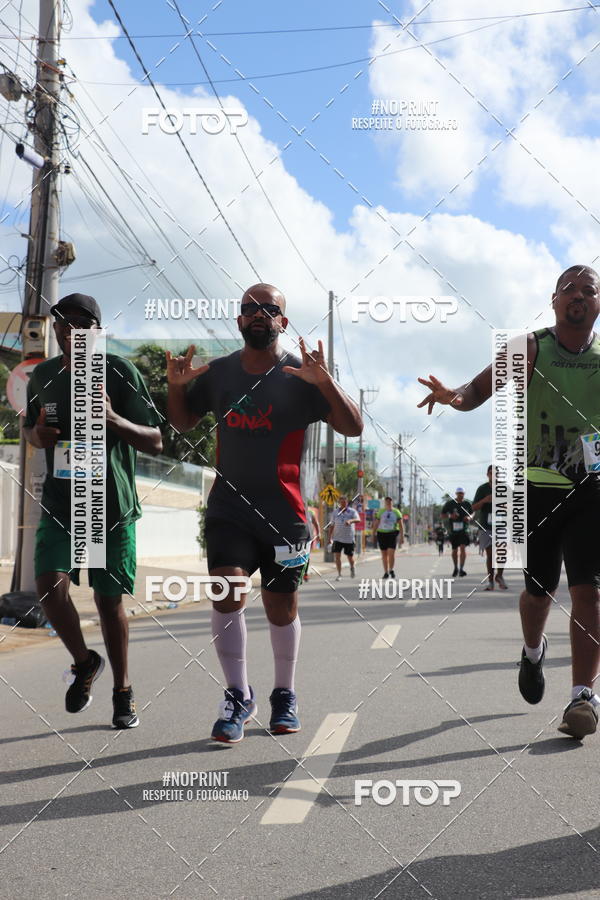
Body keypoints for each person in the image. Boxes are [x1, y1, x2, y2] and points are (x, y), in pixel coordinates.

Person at [166, 283, 362, 743]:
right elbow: (183, 422)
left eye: (269, 309)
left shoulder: (301, 376)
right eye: (250, 308)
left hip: (284, 514)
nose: (259, 314)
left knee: (280, 606)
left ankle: (284, 694)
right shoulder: (218, 373)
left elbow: (353, 427)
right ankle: (237, 695)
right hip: (229, 509)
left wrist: (325, 381)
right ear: (239, 320)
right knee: (227, 591)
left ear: (283, 322)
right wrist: (176, 387)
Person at [418, 265, 600, 740]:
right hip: (537, 489)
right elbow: (477, 390)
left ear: (599, 303)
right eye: (569, 289)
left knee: (590, 590)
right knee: (540, 591)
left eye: (589, 290)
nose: (579, 295)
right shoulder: (530, 347)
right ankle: (533, 651)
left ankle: (583, 696)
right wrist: (452, 396)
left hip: (592, 490)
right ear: (554, 300)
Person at [23, 293, 162, 728]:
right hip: (61, 505)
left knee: (108, 601)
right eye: (63, 322)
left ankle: (123, 690)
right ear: (55, 329)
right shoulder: (42, 375)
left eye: (82, 324)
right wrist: (37, 436)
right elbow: (29, 429)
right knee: (49, 587)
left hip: (109, 508)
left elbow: (156, 440)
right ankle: (85, 663)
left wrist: (113, 418)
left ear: (97, 332)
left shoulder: (120, 372)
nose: (72, 330)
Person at [472, 465, 507, 591]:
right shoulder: (482, 489)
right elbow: (473, 507)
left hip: (501, 525)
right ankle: (491, 581)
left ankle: (500, 576)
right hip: (486, 526)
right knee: (491, 554)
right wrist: (484, 500)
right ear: (487, 474)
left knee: (502, 552)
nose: (494, 475)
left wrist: (504, 505)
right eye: (491, 473)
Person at [327, 496, 361, 581]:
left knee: (350, 557)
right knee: (337, 557)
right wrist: (329, 538)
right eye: (341, 502)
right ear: (339, 503)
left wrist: (351, 521)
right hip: (337, 538)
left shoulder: (352, 511)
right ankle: (339, 574)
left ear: (347, 503)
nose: (343, 504)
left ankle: (352, 567)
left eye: (344, 502)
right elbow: (332, 525)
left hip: (349, 538)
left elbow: (358, 519)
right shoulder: (335, 512)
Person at [441, 488, 472, 577]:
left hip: (464, 529)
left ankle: (461, 568)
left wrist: (469, 517)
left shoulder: (467, 503)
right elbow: (442, 515)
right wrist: (450, 516)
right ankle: (455, 567)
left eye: (462, 493)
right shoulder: (450, 504)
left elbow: (472, 512)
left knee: (463, 547)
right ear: (456, 494)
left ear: (464, 494)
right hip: (453, 530)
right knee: (454, 550)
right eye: (459, 493)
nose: (460, 495)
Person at [374, 497, 403, 578]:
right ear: (385, 503)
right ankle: (386, 572)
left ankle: (391, 569)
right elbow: (376, 523)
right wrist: (373, 534)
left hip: (392, 533)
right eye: (387, 502)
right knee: (384, 554)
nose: (388, 503)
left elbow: (401, 525)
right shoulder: (381, 512)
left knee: (391, 553)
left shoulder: (396, 512)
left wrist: (402, 536)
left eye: (390, 502)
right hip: (381, 533)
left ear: (392, 503)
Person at [302, 505, 320, 582]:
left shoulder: (310, 512)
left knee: (306, 555)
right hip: (298, 536)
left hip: (308, 537)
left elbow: (316, 523)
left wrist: (318, 534)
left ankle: (305, 573)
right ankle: (300, 572)